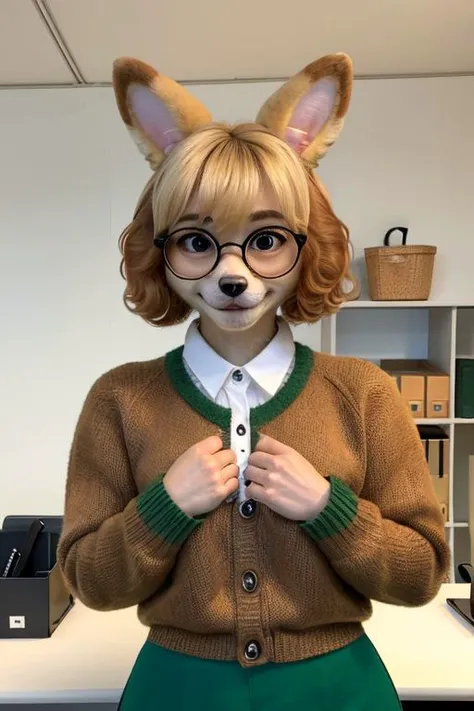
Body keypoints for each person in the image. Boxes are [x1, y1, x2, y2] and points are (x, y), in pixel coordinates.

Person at [57, 53, 450, 710]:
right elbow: (90, 583)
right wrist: (165, 507)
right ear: (161, 250)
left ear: (306, 243)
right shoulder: (119, 400)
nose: (232, 272)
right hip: (176, 689)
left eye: (265, 239)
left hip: (337, 689)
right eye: (197, 241)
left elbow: (421, 574)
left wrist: (330, 508)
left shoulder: (363, 393)